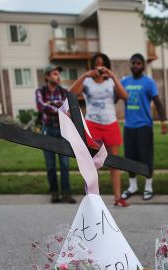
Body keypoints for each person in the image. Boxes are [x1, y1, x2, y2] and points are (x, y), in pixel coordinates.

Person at [68, 53, 128, 206]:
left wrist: (113, 76)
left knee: (114, 163)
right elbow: (71, 93)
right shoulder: (87, 81)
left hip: (110, 124)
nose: (100, 67)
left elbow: (125, 96)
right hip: (92, 124)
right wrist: (85, 75)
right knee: (91, 163)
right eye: (97, 64)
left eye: (103, 64)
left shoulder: (111, 81)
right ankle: (92, 198)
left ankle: (118, 197)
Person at [120, 53, 168, 203]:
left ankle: (148, 187)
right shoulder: (124, 82)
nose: (135, 66)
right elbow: (116, 97)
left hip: (144, 126)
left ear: (143, 66)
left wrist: (163, 122)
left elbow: (158, 103)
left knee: (146, 158)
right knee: (130, 158)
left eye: (138, 63)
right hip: (129, 126)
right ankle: (133, 186)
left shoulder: (149, 83)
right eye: (133, 63)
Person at [35, 65, 75, 204]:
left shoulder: (64, 91)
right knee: (50, 164)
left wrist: (51, 104)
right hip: (48, 130)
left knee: (65, 164)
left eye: (58, 74)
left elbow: (68, 109)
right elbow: (40, 106)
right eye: (54, 74)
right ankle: (54, 192)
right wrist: (58, 107)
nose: (58, 77)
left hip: (63, 131)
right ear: (47, 77)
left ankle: (66, 192)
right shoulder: (40, 91)